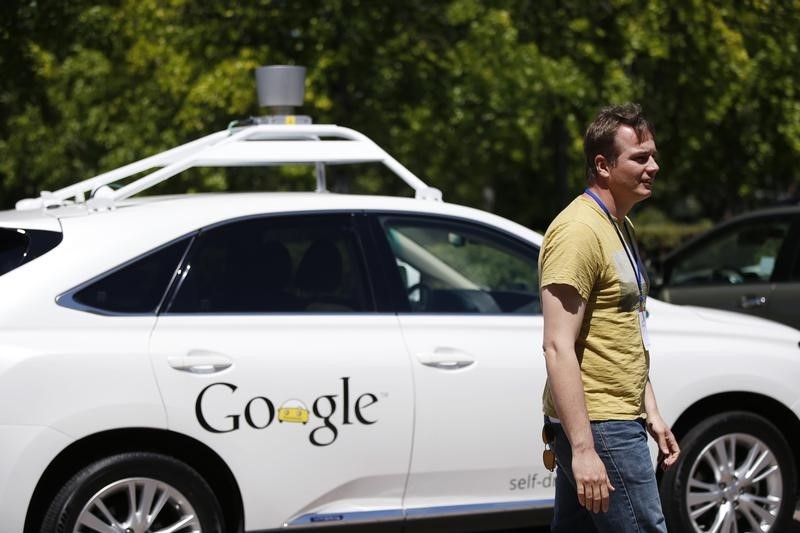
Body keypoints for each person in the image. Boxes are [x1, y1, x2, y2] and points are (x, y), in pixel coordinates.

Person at [539, 103, 680, 532]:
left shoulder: (619, 224)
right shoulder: (578, 232)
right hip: (602, 426)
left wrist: (649, 410)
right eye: (640, 157)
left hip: (619, 415)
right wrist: (583, 449)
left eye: (653, 155)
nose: (653, 166)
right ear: (603, 165)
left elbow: (625, 325)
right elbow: (557, 345)